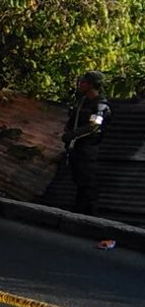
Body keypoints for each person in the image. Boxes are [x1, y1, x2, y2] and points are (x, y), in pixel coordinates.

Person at [62, 70, 111, 215]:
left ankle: (89, 211)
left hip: (88, 147)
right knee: (78, 177)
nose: (80, 84)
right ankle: (79, 209)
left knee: (86, 179)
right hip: (76, 146)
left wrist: (74, 134)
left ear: (91, 85)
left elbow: (94, 125)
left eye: (83, 82)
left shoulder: (100, 105)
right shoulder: (83, 102)